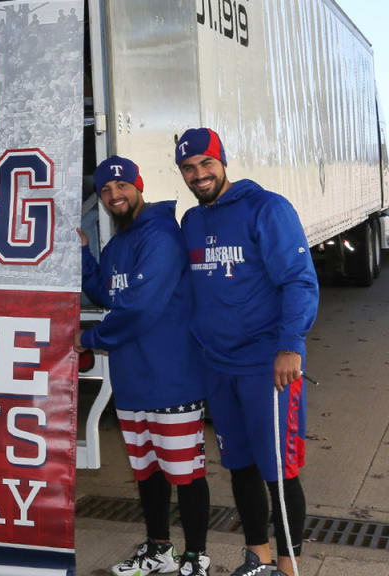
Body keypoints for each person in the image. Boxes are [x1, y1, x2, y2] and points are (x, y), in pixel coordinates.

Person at [176, 128, 318, 576]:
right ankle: (256, 557)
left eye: (206, 164)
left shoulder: (267, 208)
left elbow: (298, 279)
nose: (199, 175)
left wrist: (290, 345)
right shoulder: (192, 222)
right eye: (188, 168)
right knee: (238, 465)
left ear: (222, 162)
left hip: (267, 366)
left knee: (279, 470)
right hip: (219, 367)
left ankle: (287, 565)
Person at [77, 156, 211, 576]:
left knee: (185, 475)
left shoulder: (161, 237)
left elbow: (138, 309)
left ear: (138, 186)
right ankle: (160, 551)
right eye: (105, 190)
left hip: (172, 380)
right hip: (133, 382)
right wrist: (84, 254)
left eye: (121, 186)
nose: (114, 195)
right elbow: (107, 293)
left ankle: (196, 557)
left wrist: (86, 339)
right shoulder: (118, 244)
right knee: (149, 474)